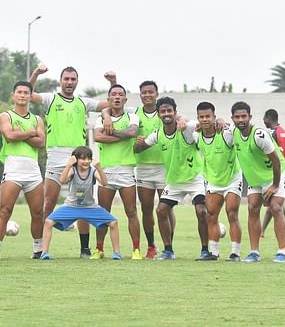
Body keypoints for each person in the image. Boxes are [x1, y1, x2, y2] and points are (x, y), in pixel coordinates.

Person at [29, 65, 115, 258]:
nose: (69, 82)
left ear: (77, 82)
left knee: (82, 202)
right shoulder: (51, 99)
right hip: (55, 156)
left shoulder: (83, 102)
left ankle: (84, 248)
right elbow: (29, 94)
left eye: (72, 79)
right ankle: (41, 248)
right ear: (60, 81)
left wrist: (112, 84)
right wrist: (36, 74)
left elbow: (112, 102)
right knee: (48, 202)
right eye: (66, 79)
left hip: (79, 158)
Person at [103, 79, 175, 259]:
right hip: (142, 167)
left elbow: (182, 120)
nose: (148, 95)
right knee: (147, 208)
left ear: (156, 94)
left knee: (166, 208)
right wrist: (105, 113)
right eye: (144, 92)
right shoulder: (133, 113)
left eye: (151, 92)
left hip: (165, 167)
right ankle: (151, 246)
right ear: (140, 95)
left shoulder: (165, 112)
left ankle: (169, 246)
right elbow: (112, 105)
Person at [134, 97, 208, 261]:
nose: (166, 114)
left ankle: (205, 250)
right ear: (159, 115)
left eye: (169, 111)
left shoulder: (186, 128)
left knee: (201, 211)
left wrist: (220, 121)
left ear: (175, 113)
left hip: (195, 178)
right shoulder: (157, 135)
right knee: (160, 210)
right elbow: (139, 149)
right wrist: (137, 143)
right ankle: (168, 250)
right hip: (174, 181)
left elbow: (202, 125)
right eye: (163, 111)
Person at [0, 81, 45, 261]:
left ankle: (38, 249)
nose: (22, 95)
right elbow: (9, 136)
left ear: (30, 96)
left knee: (37, 213)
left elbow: (41, 143)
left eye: (26, 92)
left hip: (33, 171)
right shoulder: (6, 116)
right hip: (13, 170)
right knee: (5, 210)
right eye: (19, 92)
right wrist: (30, 133)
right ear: (13, 95)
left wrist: (22, 134)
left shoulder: (37, 119)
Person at [40, 146, 122, 260]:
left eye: (89, 158)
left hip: (90, 207)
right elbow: (62, 180)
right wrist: (68, 164)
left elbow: (104, 183)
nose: (86, 161)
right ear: (76, 159)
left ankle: (116, 253)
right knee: (48, 222)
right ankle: (44, 253)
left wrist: (99, 168)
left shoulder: (93, 171)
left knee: (113, 223)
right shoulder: (72, 170)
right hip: (71, 206)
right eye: (83, 159)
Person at [231, 101, 285, 263]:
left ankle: (282, 251)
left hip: (275, 174)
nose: (240, 119)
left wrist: (275, 185)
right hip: (255, 178)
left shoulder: (259, 135)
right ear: (232, 118)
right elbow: (214, 126)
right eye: (237, 117)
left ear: (250, 117)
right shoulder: (232, 132)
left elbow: (276, 161)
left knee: (276, 208)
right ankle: (254, 252)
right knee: (252, 208)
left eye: (244, 116)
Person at [93, 84, 142, 260]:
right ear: (108, 99)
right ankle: (99, 249)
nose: (117, 97)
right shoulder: (101, 119)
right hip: (107, 171)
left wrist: (112, 132)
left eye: (121, 95)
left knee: (131, 212)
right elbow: (98, 137)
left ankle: (136, 250)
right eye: (113, 94)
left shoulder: (132, 116)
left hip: (126, 170)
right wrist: (123, 135)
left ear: (125, 100)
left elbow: (133, 132)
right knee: (103, 212)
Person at [194, 102, 242, 261]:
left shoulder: (226, 133)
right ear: (198, 118)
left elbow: (239, 130)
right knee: (211, 215)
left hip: (232, 178)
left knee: (232, 212)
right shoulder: (196, 135)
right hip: (213, 180)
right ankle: (213, 253)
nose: (205, 119)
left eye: (208, 116)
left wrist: (224, 122)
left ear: (214, 117)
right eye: (202, 117)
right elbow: (180, 122)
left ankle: (235, 252)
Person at [261, 109, 285, 238]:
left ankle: (262, 232)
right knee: (276, 204)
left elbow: (271, 155)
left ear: (269, 118)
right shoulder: (284, 133)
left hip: (274, 172)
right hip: (284, 170)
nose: (263, 120)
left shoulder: (271, 133)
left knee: (273, 203)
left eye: (264, 118)